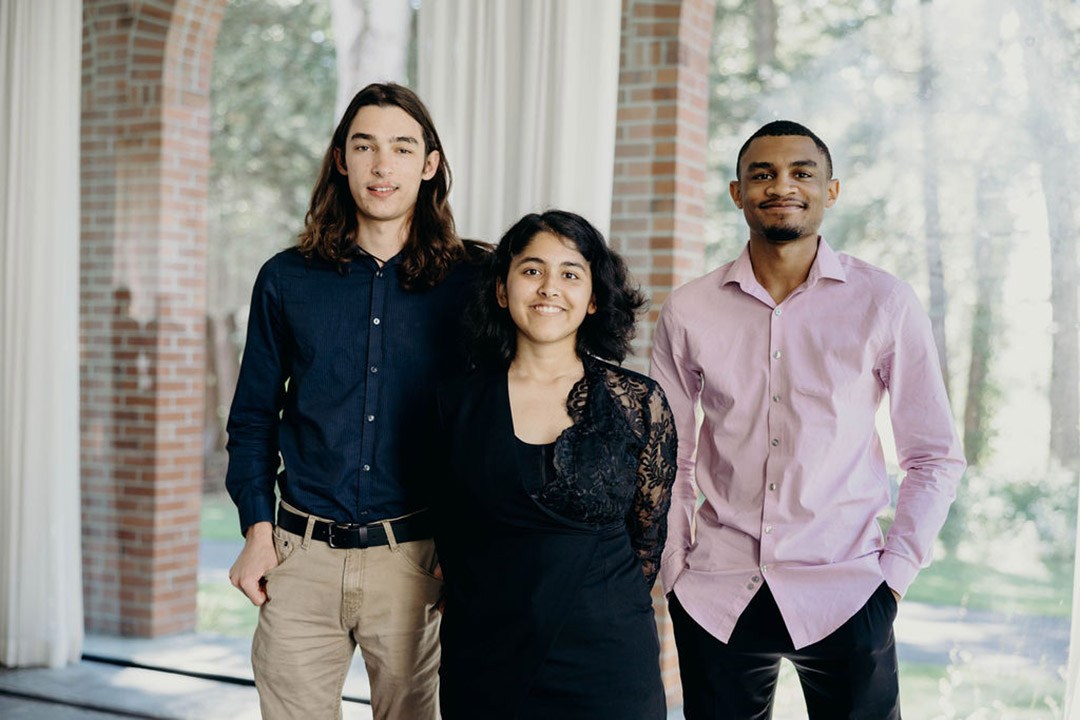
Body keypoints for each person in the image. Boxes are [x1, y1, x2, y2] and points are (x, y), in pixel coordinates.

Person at [650, 120, 966, 719]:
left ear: (832, 190)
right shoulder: (690, 309)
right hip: (717, 590)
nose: (781, 186)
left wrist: (892, 576)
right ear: (737, 192)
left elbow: (934, 455)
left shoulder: (884, 302)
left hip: (847, 590)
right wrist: (674, 569)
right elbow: (668, 455)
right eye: (762, 174)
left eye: (802, 173)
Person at [224, 82, 480, 720]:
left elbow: (496, 424)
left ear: (429, 164)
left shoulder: (475, 281)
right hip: (298, 557)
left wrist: (469, 546)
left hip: (417, 562)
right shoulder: (285, 278)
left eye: (401, 147)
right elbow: (253, 418)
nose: (381, 165)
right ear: (341, 159)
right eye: (364, 146)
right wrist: (258, 530)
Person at [431, 210, 677, 719]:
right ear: (502, 290)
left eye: (570, 273)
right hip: (486, 657)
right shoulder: (454, 402)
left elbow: (647, 539)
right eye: (531, 270)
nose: (549, 288)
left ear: (592, 299)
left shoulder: (640, 402)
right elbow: (449, 528)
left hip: (607, 660)